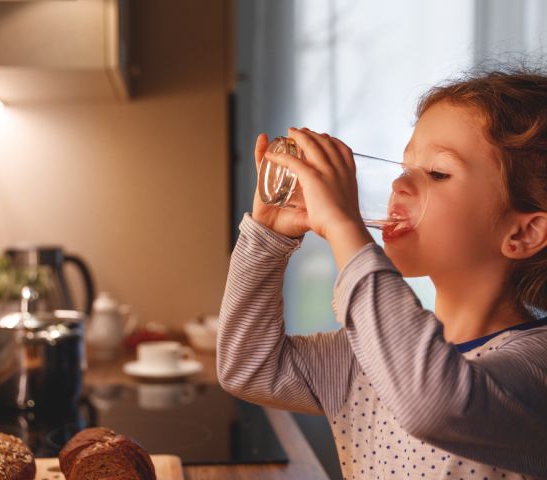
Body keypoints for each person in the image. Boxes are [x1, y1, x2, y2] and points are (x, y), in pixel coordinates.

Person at [217, 68, 547, 479]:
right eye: (406, 165)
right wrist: (267, 238)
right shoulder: (363, 356)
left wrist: (344, 226)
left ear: (522, 232)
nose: (399, 183)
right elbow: (248, 368)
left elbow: (432, 400)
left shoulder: (536, 369)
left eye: (438, 173)